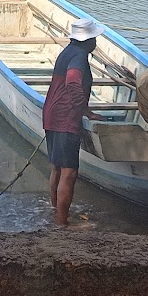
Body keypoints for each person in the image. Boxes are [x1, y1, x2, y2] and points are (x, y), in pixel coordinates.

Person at [42, 17, 103, 227]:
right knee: (69, 171)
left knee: (57, 167)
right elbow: (73, 84)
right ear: (88, 40)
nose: (96, 42)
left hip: (51, 113)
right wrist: (87, 111)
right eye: (94, 38)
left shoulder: (67, 51)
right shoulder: (79, 56)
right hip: (65, 118)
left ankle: (54, 210)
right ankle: (61, 223)